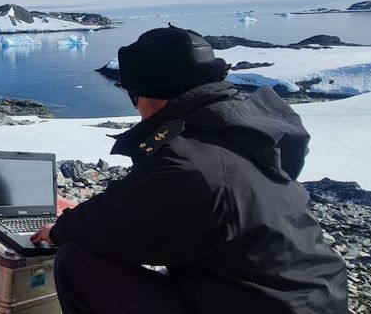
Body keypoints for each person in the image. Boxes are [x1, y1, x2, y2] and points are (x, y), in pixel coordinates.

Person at [30, 25, 348, 313]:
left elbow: (113, 221)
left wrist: (59, 230)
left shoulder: (189, 163)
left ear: (160, 97)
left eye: (134, 94)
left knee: (77, 262)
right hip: (316, 300)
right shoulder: (247, 134)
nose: (136, 105)